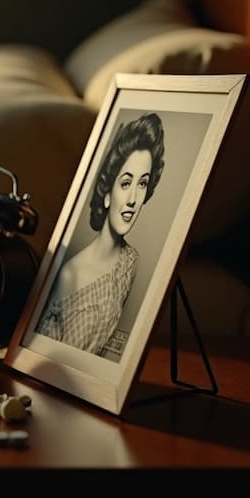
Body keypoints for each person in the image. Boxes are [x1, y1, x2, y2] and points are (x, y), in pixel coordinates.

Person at [35, 112, 166, 354]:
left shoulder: (129, 262)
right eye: (126, 183)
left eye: (142, 184)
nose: (133, 200)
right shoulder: (69, 275)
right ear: (107, 193)